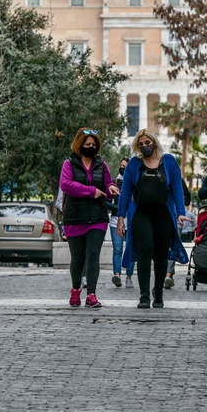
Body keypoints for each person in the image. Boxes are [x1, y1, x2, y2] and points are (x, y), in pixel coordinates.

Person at [116, 129, 189, 309]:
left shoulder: (169, 161)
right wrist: (120, 217)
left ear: (154, 142)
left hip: (163, 212)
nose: (145, 147)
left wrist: (181, 212)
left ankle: (158, 293)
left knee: (161, 253)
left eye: (147, 143)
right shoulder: (134, 164)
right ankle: (143, 296)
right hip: (141, 212)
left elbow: (177, 189)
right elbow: (125, 192)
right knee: (145, 249)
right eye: (141, 145)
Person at [60, 128, 119, 308]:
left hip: (97, 217)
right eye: (87, 144)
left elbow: (108, 183)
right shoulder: (69, 164)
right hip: (74, 217)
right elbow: (66, 185)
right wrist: (91, 191)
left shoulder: (102, 165)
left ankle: (91, 294)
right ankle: (76, 289)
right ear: (80, 145)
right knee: (78, 258)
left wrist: (110, 188)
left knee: (93, 255)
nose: (91, 147)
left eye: (94, 145)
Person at [109, 158, 134, 289]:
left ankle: (129, 277)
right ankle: (117, 275)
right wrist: (118, 210)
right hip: (115, 221)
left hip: (131, 221)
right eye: (121, 166)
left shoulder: (134, 182)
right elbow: (106, 200)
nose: (122, 168)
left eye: (125, 166)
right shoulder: (114, 182)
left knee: (129, 249)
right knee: (117, 250)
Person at [165, 180, 194, 289]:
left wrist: (177, 198)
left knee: (173, 244)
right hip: (162, 216)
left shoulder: (179, 180)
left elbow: (187, 199)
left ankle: (168, 274)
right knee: (164, 246)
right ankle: (167, 274)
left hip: (177, 217)